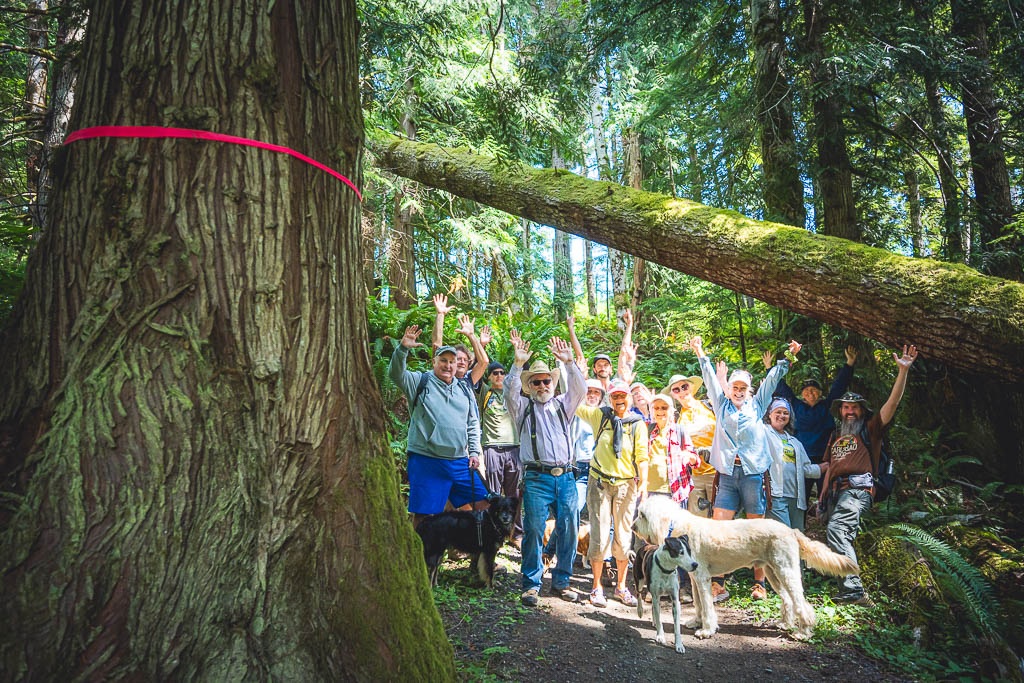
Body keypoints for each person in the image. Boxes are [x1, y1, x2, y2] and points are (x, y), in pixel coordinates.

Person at [690, 335, 800, 602]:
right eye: (735, 387)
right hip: (728, 476)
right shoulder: (721, 405)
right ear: (728, 388)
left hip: (752, 475)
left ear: (749, 390)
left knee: (756, 529)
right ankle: (718, 583)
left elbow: (772, 379)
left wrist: (788, 357)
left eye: (743, 387)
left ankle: (759, 584)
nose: (739, 391)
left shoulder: (757, 405)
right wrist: (699, 351)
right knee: (719, 528)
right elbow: (708, 377)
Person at [819, 345, 918, 605]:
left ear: (862, 411)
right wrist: (821, 499)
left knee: (838, 529)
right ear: (840, 411)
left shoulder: (871, 429)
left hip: (857, 490)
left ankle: (854, 591)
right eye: (845, 407)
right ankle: (847, 589)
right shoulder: (835, 435)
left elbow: (891, 405)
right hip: (835, 492)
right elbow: (829, 467)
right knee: (838, 534)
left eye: (854, 407)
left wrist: (902, 372)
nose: (850, 411)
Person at [504, 331, 587, 607]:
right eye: (536, 382)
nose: (542, 386)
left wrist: (569, 363)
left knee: (569, 528)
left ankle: (562, 581)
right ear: (530, 386)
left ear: (553, 383)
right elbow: (509, 391)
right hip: (536, 478)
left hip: (566, 477)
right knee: (534, 529)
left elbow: (580, 390)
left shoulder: (564, 405)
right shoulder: (522, 408)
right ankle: (531, 584)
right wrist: (518, 365)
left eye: (546, 381)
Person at [389, 326, 488, 529]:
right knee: (424, 515)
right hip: (427, 459)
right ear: (434, 361)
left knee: (484, 504)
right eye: (443, 360)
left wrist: (474, 452)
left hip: (459, 460)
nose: (448, 365)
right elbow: (396, 374)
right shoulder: (420, 381)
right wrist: (402, 349)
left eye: (452, 361)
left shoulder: (464, 388)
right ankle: (421, 550)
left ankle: (474, 549)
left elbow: (472, 423)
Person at [578, 380, 650, 608]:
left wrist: (644, 483)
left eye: (623, 396)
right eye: (615, 396)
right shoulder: (600, 416)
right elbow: (574, 402)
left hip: (626, 485)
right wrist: (573, 370)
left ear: (629, 398)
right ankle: (596, 587)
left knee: (623, 536)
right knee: (599, 536)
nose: (619, 400)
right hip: (599, 482)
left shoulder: (637, 424)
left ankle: (621, 586)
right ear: (609, 399)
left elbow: (642, 455)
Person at [771, 345, 857, 498]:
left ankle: (826, 513)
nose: (810, 393)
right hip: (802, 458)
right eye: (807, 391)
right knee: (801, 495)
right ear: (802, 394)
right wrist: (769, 368)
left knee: (827, 495)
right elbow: (782, 388)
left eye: (814, 390)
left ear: (820, 393)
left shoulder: (827, 405)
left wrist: (849, 364)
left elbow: (839, 385)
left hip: (826, 457)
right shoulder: (796, 406)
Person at [763, 397, 826, 531]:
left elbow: (806, 469)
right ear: (769, 414)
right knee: (784, 534)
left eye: (785, 413)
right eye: (778, 412)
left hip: (796, 498)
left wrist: (825, 467)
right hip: (775, 495)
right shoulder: (763, 432)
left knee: (798, 534)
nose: (782, 415)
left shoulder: (795, 442)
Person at [479, 360, 523, 548]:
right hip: (492, 448)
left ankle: (516, 534)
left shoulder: (512, 394)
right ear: (488, 377)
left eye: (502, 372)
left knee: (515, 494)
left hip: (514, 448)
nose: (499, 376)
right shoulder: (484, 393)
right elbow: (476, 370)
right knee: (493, 494)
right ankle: (492, 533)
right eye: (495, 373)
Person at [664, 374, 717, 518]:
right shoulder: (676, 418)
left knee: (720, 518)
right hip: (693, 475)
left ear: (692, 388)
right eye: (676, 390)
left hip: (717, 471)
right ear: (673, 395)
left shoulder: (710, 406)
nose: (681, 391)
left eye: (684, 386)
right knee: (697, 519)